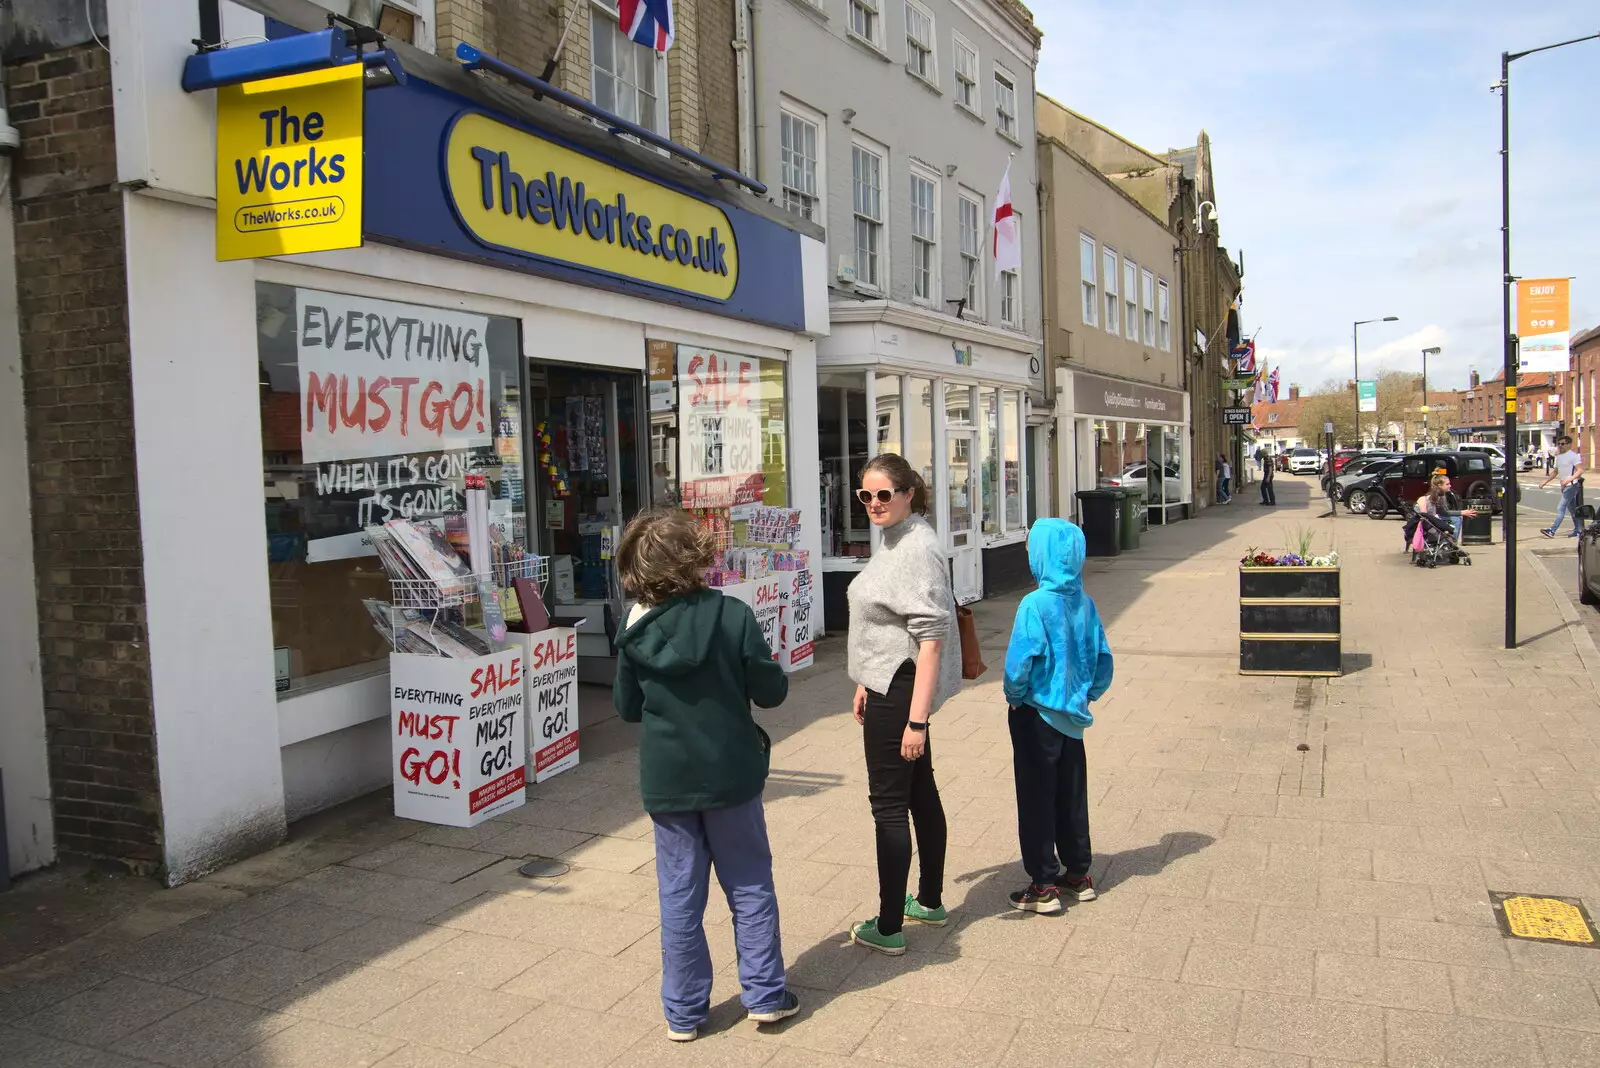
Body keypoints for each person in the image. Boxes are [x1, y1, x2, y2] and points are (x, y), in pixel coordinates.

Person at [613, 508, 800, 1040]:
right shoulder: (731, 614)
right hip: (731, 773)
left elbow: (627, 708)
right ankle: (764, 995)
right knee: (749, 884)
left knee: (679, 895)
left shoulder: (634, 629)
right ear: (696, 558)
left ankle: (685, 1013)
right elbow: (771, 691)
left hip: (668, 780)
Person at [845, 452, 961, 955]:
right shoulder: (896, 539)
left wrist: (916, 721)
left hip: (900, 694)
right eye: (865, 495)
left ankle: (889, 925)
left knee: (888, 807)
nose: (874, 503)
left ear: (909, 492)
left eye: (884, 494)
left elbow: (931, 639)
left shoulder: (915, 547)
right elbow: (888, 625)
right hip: (887, 683)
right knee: (919, 796)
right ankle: (929, 901)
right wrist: (863, 679)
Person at [1002, 520, 1114, 913]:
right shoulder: (1085, 603)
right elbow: (1103, 659)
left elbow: (1019, 664)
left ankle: (1043, 883)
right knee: (1071, 795)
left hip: (1037, 714)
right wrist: (1089, 694)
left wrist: (1014, 697)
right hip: (1073, 717)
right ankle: (1079, 873)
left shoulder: (1034, 604)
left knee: (1036, 797)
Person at [1540, 436, 1585, 538]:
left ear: (1569, 444)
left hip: (1572, 486)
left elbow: (1580, 470)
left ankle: (1552, 530)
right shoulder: (1559, 457)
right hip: (1564, 486)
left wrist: (1569, 479)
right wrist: (1545, 482)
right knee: (1573, 509)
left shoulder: (1574, 456)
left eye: (1562, 444)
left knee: (1561, 507)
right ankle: (1579, 530)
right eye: (1559, 444)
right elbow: (1555, 472)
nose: (1560, 446)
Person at [1417, 471, 1478, 542]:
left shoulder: (1441, 495)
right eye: (1447, 484)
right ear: (1440, 485)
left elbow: (1443, 512)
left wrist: (1462, 512)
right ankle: (1452, 542)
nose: (1450, 486)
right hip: (1427, 520)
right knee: (1456, 520)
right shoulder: (1436, 496)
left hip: (1432, 518)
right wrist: (1462, 512)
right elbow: (1441, 513)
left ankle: (1451, 541)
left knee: (1456, 518)